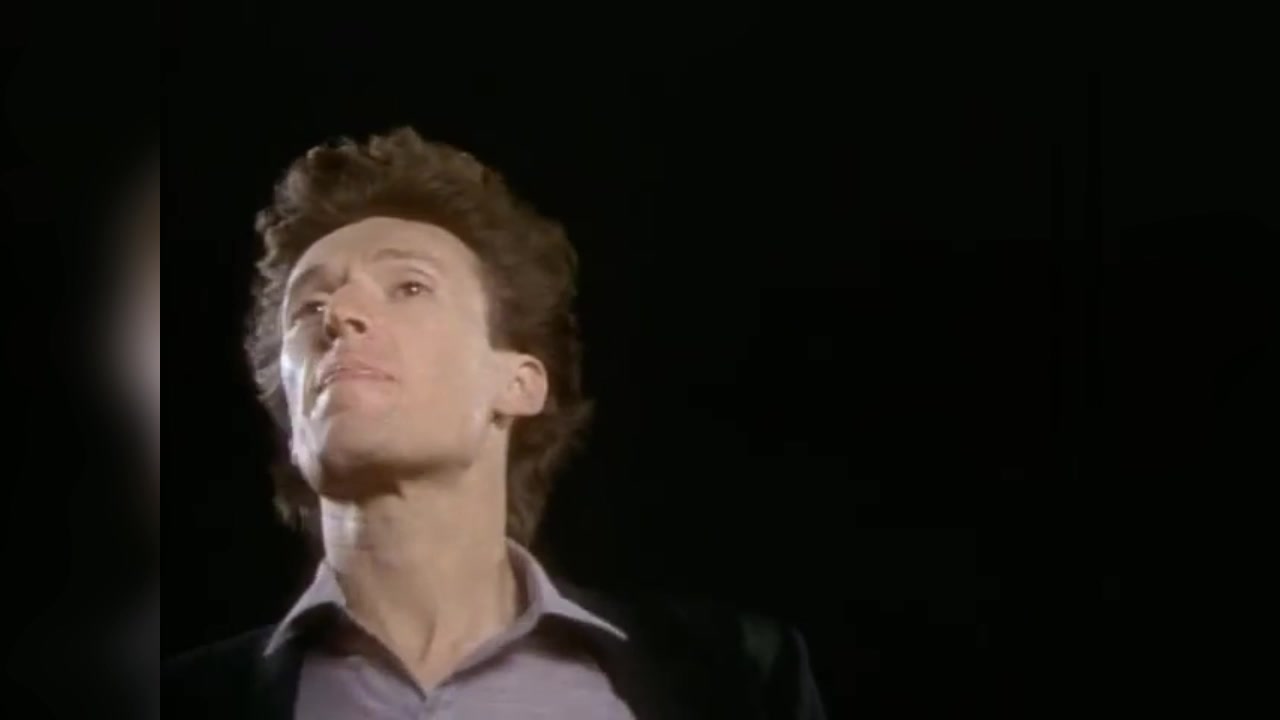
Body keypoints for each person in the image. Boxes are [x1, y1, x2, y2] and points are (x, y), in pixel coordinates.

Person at [164, 127, 826, 719]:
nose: (337, 314)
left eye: (409, 287)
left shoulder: (734, 677)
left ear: (519, 382)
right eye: (308, 308)